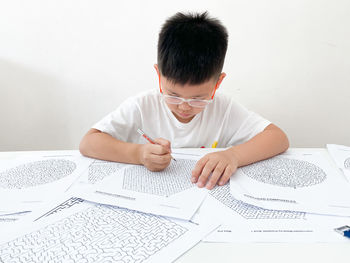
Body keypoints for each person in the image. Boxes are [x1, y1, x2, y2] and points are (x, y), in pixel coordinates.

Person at [79, 11, 289, 190]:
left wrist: (233, 156)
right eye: (173, 95)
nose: (185, 106)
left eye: (198, 99)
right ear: (158, 75)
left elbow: (278, 138)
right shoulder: (142, 106)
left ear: (218, 83)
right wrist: (138, 153)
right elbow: (89, 143)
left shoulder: (223, 108)